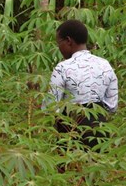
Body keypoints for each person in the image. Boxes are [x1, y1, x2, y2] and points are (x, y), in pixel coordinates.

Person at [43, 19, 118, 148]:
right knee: (97, 166)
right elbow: (112, 106)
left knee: (70, 167)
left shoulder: (63, 67)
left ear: (68, 41)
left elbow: (50, 106)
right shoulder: (105, 65)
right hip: (99, 131)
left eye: (58, 43)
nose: (59, 48)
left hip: (69, 132)